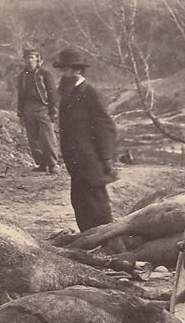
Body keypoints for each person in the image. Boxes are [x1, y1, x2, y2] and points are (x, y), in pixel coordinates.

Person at [53, 48, 118, 232]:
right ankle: (89, 240)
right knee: (80, 204)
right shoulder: (68, 93)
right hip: (76, 162)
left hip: (92, 161)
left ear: (77, 70)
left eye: (66, 70)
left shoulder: (90, 92)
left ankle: (106, 243)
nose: (63, 75)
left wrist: (106, 158)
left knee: (98, 205)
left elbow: (105, 126)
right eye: (62, 70)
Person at [15, 47, 59, 173]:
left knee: (47, 137)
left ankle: (52, 164)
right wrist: (20, 113)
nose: (29, 60)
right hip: (28, 108)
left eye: (32, 57)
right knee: (32, 138)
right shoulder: (22, 76)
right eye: (27, 58)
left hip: (43, 107)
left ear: (37, 59)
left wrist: (53, 109)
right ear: (24, 60)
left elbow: (52, 93)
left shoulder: (45, 74)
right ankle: (41, 164)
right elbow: (20, 96)